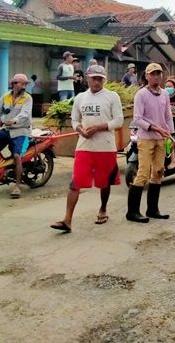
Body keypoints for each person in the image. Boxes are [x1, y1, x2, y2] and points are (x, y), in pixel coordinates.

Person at [50, 65, 123, 233]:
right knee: (75, 182)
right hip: (84, 146)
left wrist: (99, 127)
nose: (96, 82)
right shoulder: (80, 98)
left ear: (104, 80)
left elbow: (118, 121)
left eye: (100, 79)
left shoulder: (112, 97)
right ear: (87, 79)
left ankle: (103, 209)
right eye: (93, 78)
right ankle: (67, 220)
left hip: (105, 147)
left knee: (104, 183)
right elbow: (75, 120)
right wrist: (79, 129)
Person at [127, 63, 175, 223]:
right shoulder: (141, 94)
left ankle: (153, 209)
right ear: (146, 76)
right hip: (146, 138)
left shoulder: (164, 95)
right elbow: (137, 119)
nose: (156, 77)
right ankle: (132, 212)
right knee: (143, 172)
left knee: (159, 171)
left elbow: (168, 116)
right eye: (153, 74)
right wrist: (155, 128)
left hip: (162, 138)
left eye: (158, 74)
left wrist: (171, 134)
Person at [0, 73, 33, 198]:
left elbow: (25, 114)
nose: (24, 86)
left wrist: (14, 120)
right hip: (7, 129)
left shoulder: (27, 98)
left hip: (21, 130)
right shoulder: (6, 96)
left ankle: (17, 186)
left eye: (25, 84)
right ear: (14, 84)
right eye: (22, 83)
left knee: (17, 155)